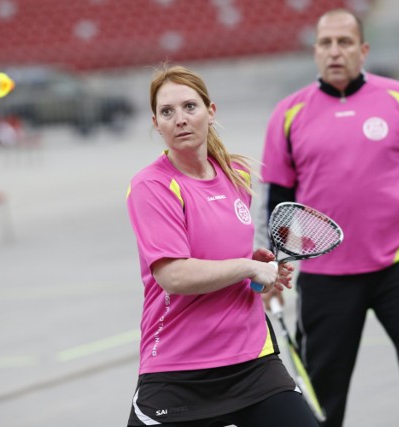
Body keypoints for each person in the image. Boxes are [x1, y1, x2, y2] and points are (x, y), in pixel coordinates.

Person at [257, 9, 399, 427]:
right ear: (315, 51)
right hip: (325, 276)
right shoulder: (288, 113)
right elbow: (276, 199)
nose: (335, 52)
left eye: (344, 42)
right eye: (326, 43)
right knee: (320, 394)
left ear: (363, 49)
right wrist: (272, 267)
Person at [125, 65, 319, 427]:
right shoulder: (151, 186)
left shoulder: (236, 175)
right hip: (179, 369)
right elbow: (175, 275)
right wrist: (247, 268)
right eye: (167, 112)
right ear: (156, 123)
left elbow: (224, 257)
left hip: (253, 362)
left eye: (189, 107)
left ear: (210, 112)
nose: (180, 119)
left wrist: (255, 266)